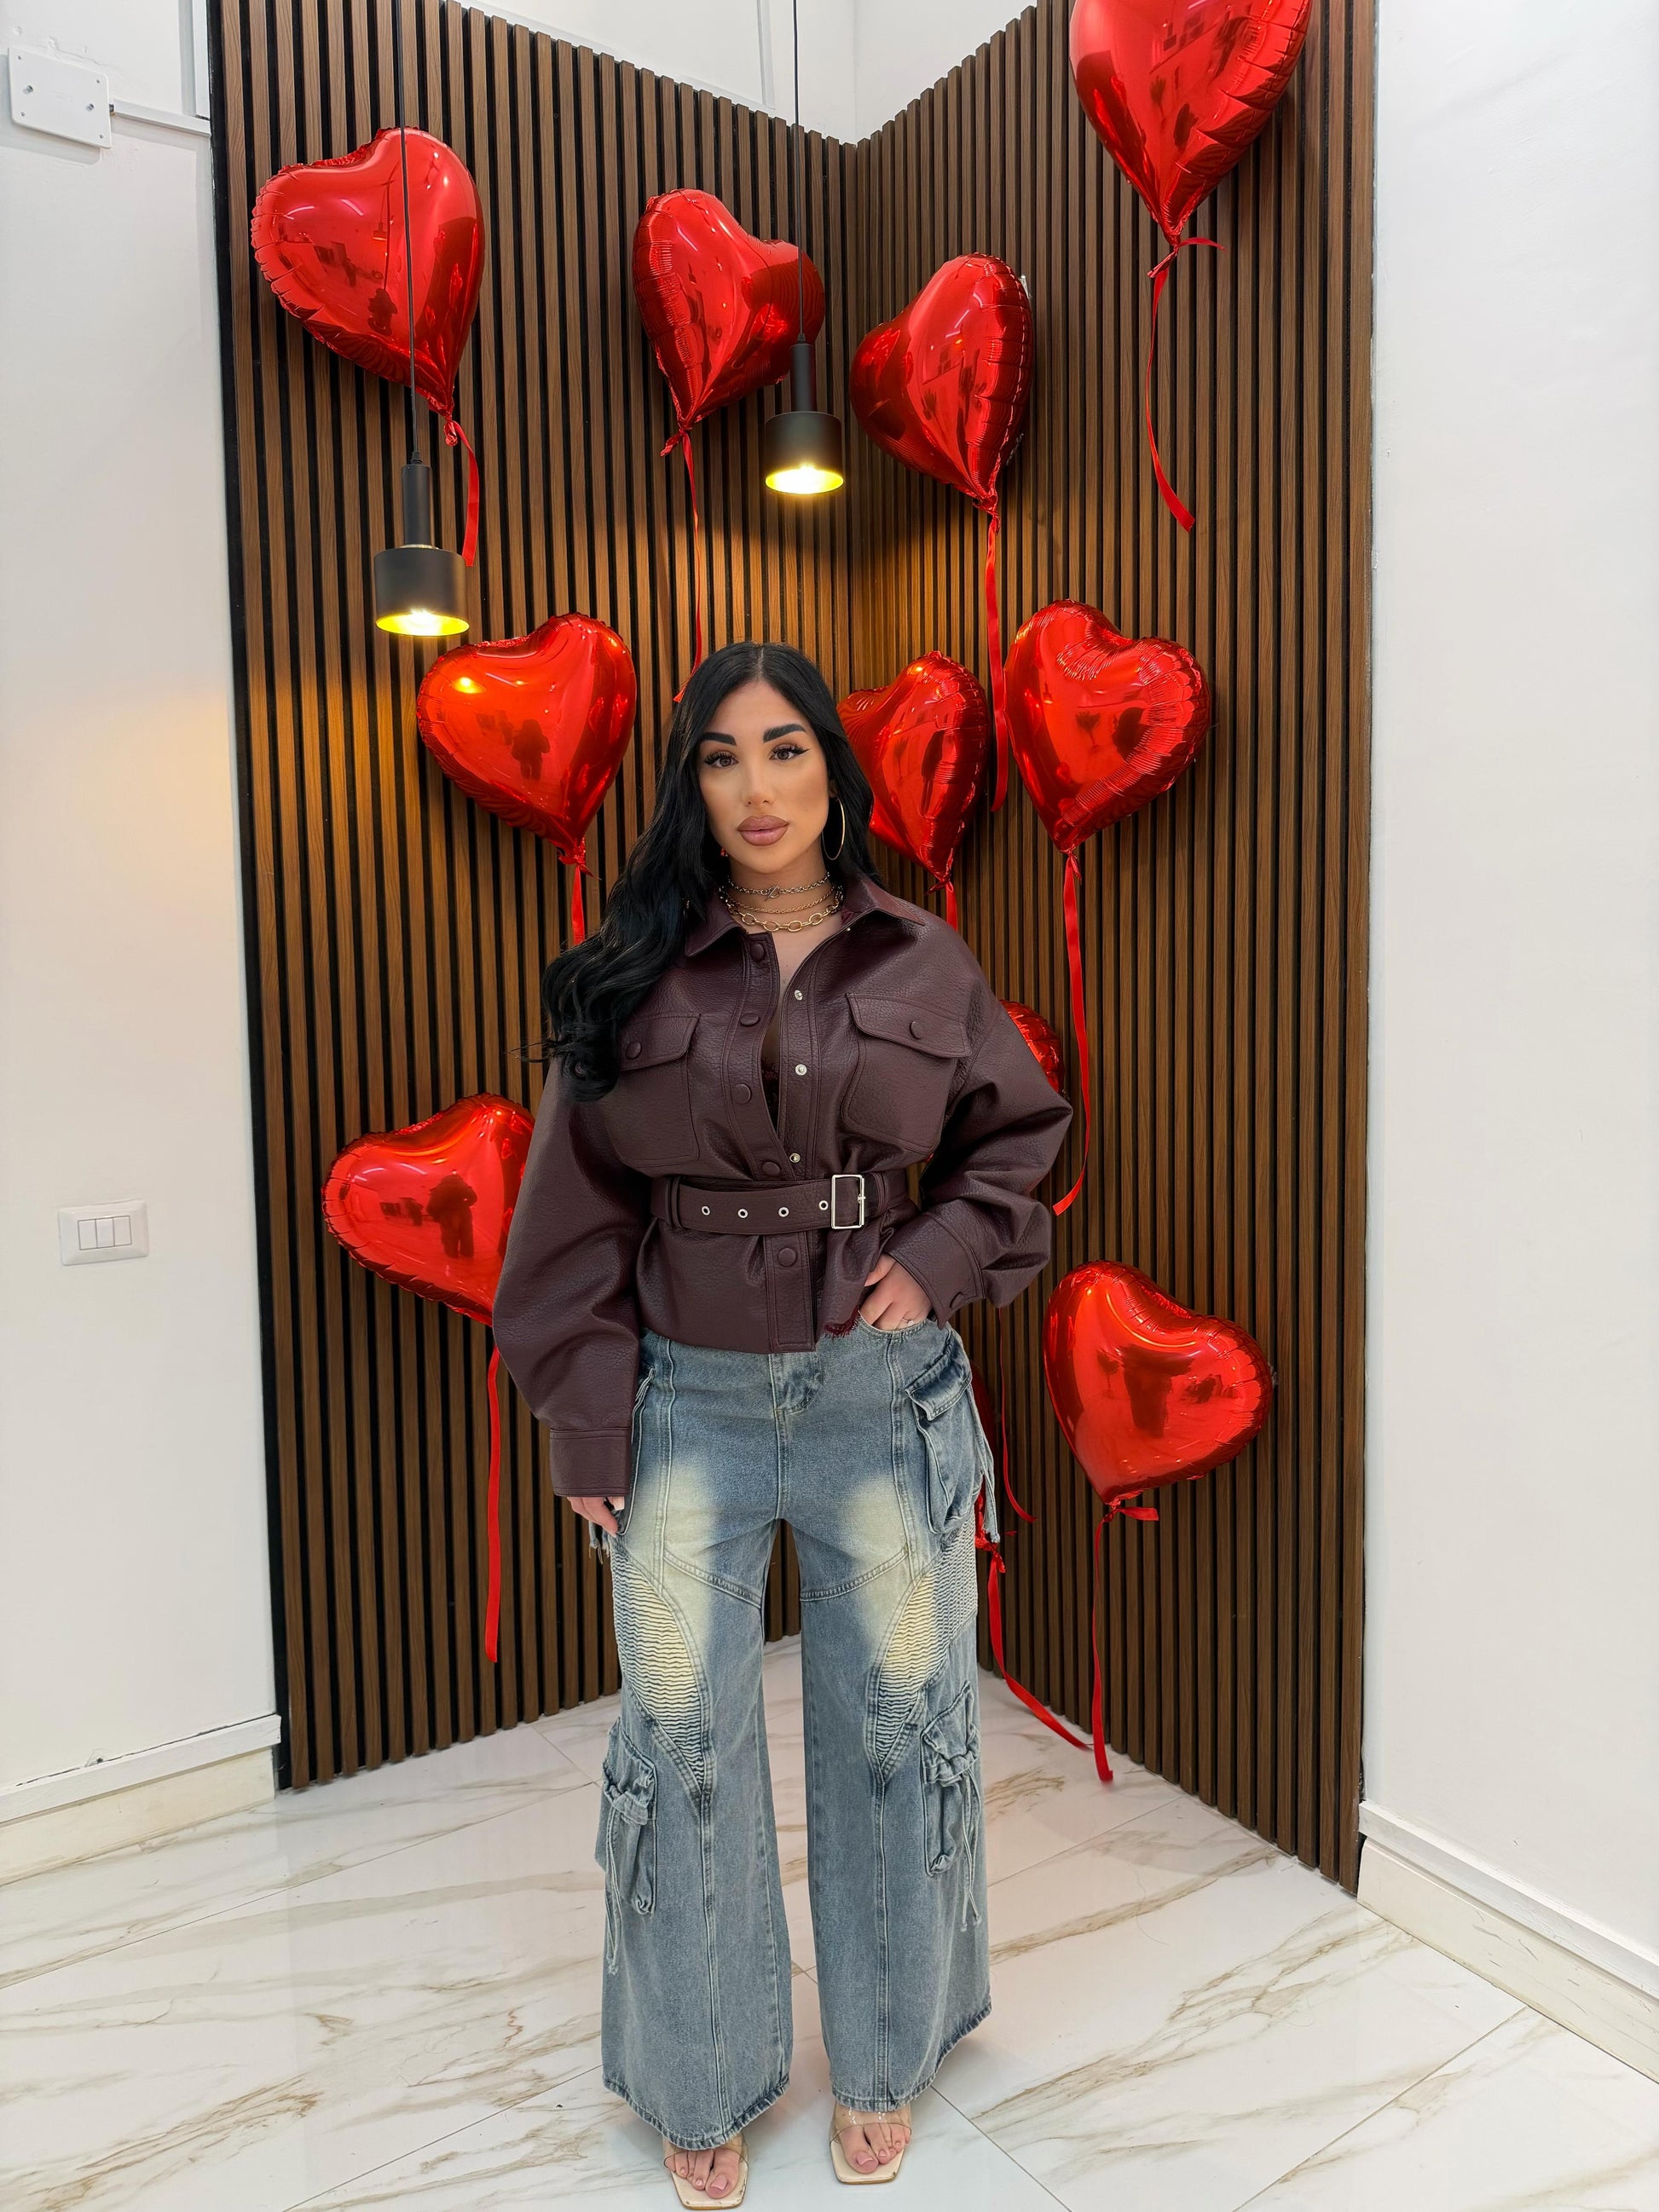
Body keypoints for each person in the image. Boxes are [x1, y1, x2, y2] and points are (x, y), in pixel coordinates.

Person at [492, 640, 1072, 2205]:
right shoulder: (632, 970)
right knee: (680, 1736)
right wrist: (586, 1424)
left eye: (786, 749)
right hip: (685, 1404)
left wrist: (936, 1258)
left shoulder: (923, 959)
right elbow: (568, 1218)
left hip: (880, 1401)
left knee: (895, 1725)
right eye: (722, 756)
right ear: (689, 784)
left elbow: (1017, 1139)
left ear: (833, 770)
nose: (756, 787)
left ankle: (885, 2057)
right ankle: (701, 2074)